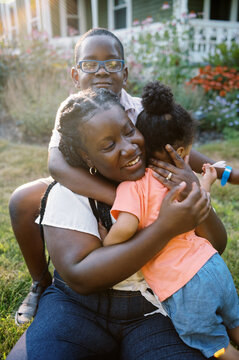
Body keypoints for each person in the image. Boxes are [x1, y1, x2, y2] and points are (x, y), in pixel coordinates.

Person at [9, 28, 239, 325]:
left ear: (125, 72)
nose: (102, 71)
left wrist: (227, 173)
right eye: (90, 64)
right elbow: (58, 168)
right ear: (75, 75)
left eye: (112, 63)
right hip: (88, 179)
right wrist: (117, 196)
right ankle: (40, 282)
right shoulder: (70, 111)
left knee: (176, 197)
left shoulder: (142, 109)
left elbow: (174, 150)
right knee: (22, 201)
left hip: (139, 179)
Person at [7, 87, 225, 360]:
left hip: (156, 309)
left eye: (128, 130)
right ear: (87, 157)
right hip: (77, 308)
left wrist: (197, 197)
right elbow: (81, 276)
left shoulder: (162, 176)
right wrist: (164, 228)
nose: (129, 147)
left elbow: (216, 245)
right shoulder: (69, 193)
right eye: (108, 145)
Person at [102, 81, 239, 359]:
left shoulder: (134, 186)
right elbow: (200, 203)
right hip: (213, 266)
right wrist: (208, 181)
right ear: (182, 151)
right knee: (235, 323)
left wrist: (106, 241)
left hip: (185, 286)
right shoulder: (183, 179)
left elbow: (127, 226)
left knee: (219, 347)